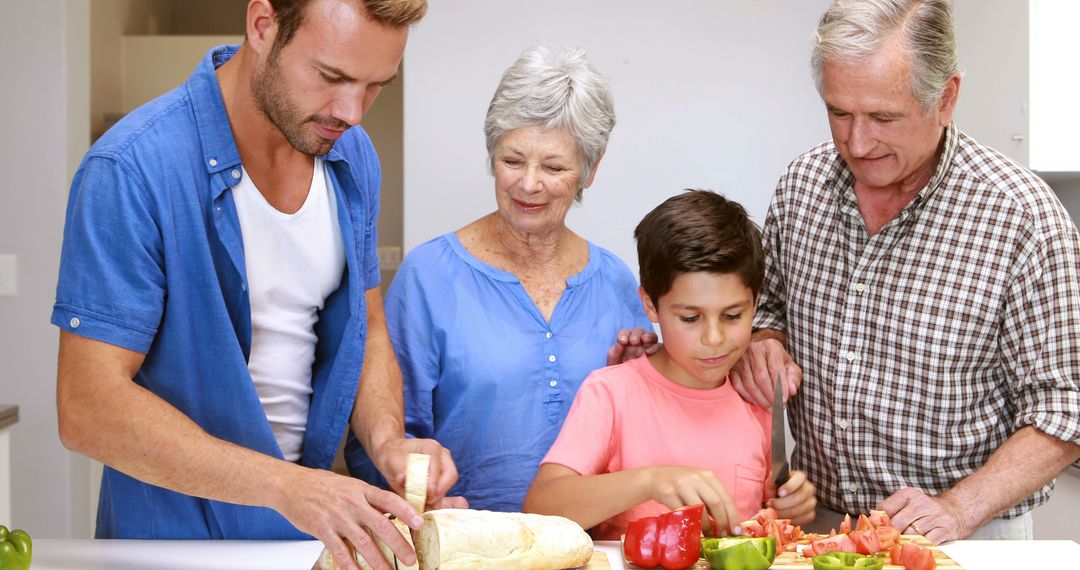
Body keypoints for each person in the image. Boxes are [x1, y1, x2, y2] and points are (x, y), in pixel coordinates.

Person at [53, 1, 458, 568]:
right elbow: (87, 408)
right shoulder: (131, 168)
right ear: (263, 26)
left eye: (375, 86)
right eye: (332, 76)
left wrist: (388, 441)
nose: (353, 112)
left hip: (301, 541)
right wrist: (289, 487)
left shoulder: (352, 155)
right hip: (170, 546)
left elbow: (366, 329)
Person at [730, 0, 1080, 543]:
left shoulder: (1021, 217)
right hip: (823, 524)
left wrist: (959, 507)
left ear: (947, 98)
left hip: (964, 532)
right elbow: (769, 308)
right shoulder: (800, 188)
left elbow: (1065, 407)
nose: (857, 142)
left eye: (884, 117)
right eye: (839, 112)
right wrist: (764, 338)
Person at [346, 44, 654, 513]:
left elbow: (646, 433)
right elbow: (382, 441)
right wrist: (418, 489)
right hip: (466, 545)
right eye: (512, 160)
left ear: (590, 170)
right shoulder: (430, 276)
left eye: (553, 167)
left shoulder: (614, 280)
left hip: (593, 548)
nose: (529, 184)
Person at [523, 190, 817, 539]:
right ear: (650, 305)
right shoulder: (612, 393)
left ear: (756, 303)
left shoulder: (754, 398)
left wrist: (790, 505)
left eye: (733, 315)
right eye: (690, 318)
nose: (713, 337)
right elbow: (541, 506)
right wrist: (649, 480)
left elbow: (766, 521)